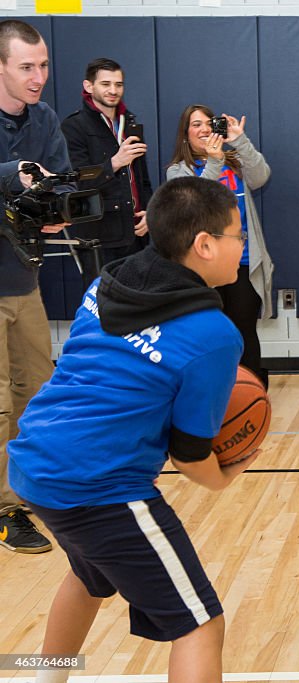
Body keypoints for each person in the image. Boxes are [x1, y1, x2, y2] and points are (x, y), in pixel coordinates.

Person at [7, 176, 259, 683]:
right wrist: (227, 474)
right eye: (238, 234)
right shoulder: (212, 335)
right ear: (205, 245)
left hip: (35, 461)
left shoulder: (108, 283)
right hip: (97, 486)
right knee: (199, 624)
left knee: (88, 576)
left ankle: (45, 677)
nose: (243, 246)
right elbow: (190, 456)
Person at [0, 19, 73, 554]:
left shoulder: (45, 118)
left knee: (35, 391)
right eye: (26, 66)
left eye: (43, 65)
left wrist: (55, 213)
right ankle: (5, 511)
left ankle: (28, 491)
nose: (38, 76)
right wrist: (13, 175)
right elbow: (18, 176)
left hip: (23, 278)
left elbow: (59, 182)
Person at [167, 104, 273, 387]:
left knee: (244, 329)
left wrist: (239, 141)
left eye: (208, 124)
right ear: (185, 134)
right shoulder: (178, 171)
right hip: (202, 268)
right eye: (195, 125)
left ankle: (251, 391)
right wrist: (214, 162)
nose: (203, 130)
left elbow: (261, 176)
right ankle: (213, 390)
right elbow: (195, 205)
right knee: (209, 332)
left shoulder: (234, 162)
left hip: (243, 261)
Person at [60, 57, 152, 288]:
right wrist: (114, 163)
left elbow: (143, 180)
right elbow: (76, 182)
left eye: (118, 84)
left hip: (136, 234)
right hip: (99, 236)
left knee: (139, 304)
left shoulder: (129, 122)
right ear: (89, 86)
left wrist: (150, 212)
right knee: (103, 306)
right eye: (105, 84)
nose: (113, 90)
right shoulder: (74, 127)